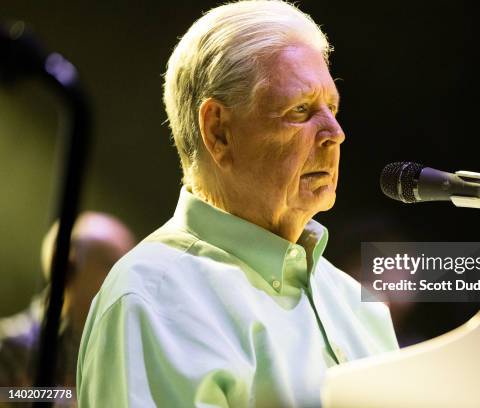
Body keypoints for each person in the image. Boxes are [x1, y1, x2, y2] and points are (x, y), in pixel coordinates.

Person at [77, 1, 398, 407]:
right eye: (300, 110)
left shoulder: (356, 303)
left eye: (331, 108)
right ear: (218, 131)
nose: (335, 133)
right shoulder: (153, 299)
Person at [0, 212, 134, 388]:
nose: (129, 280)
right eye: (111, 265)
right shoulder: (8, 348)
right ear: (66, 266)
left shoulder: (119, 357)